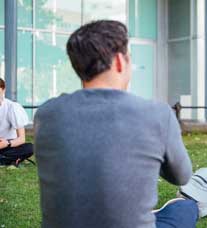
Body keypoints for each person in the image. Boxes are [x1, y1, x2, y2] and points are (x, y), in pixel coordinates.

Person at [34, 20, 198, 228]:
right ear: (120, 61)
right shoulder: (157, 114)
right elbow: (182, 176)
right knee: (186, 209)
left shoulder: (46, 114)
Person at [0, 78, 33, 166]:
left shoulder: (12, 107)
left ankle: (4, 158)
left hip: (8, 146)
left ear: (3, 90)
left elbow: (21, 139)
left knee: (29, 148)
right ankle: (7, 160)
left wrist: (7, 143)